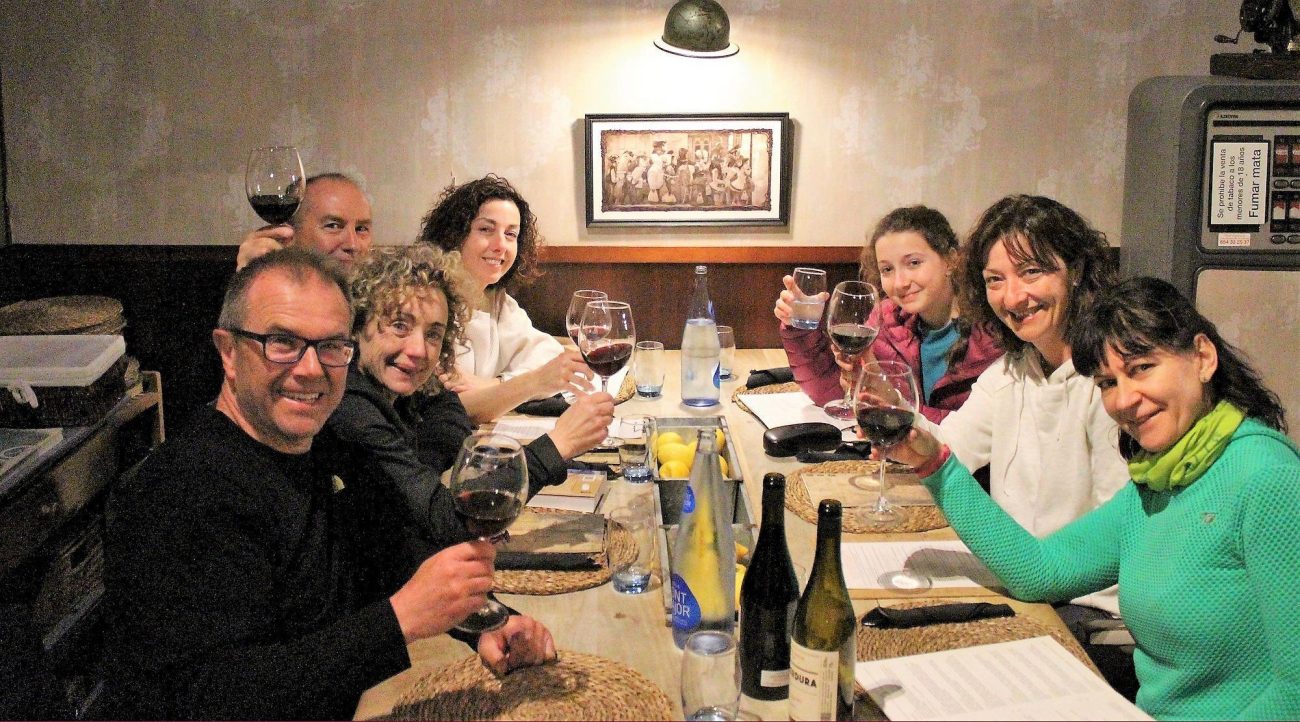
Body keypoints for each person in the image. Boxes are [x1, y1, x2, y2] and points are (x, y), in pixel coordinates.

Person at [103, 249, 556, 720]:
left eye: (331, 346)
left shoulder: (323, 447)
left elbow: (381, 553)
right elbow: (212, 698)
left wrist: (478, 621)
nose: (311, 369)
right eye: (282, 342)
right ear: (229, 352)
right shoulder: (183, 491)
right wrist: (399, 620)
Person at [887, 277, 1300, 719]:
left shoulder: (1267, 478)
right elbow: (1041, 572)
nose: (1124, 400)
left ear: (1202, 357)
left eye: (1142, 368)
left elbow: (1295, 692)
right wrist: (935, 464)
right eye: (1106, 383)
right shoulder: (1157, 480)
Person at [329, 244, 614, 538]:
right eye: (400, 326)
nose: (417, 350)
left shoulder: (404, 385)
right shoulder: (348, 407)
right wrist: (558, 444)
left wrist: (419, 469)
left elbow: (453, 418)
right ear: (358, 325)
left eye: (433, 334)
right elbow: (449, 521)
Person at [775, 205, 1002, 423]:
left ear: (951, 260)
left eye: (913, 263)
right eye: (887, 269)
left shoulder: (993, 333)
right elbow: (835, 395)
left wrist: (894, 406)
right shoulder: (887, 318)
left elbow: (978, 434)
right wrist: (799, 327)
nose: (900, 282)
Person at [417, 175, 594, 424]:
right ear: (454, 234)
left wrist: (491, 384)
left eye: (511, 234)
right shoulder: (425, 304)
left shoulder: (496, 300)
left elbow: (548, 356)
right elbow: (452, 409)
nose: (500, 245)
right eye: (486, 230)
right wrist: (533, 382)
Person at [237, 172, 374, 271]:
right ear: (287, 236)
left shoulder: (385, 303)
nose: (353, 245)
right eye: (333, 226)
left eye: (361, 229)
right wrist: (249, 278)